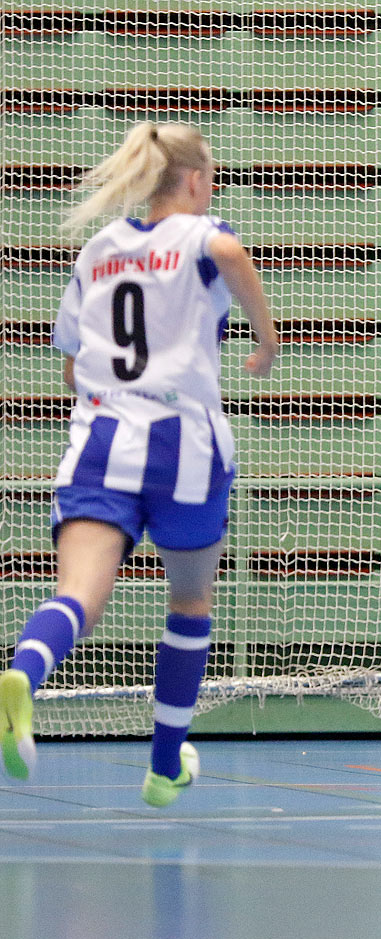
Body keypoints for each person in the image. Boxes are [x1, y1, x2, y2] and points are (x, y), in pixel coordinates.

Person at [0, 122, 278, 806]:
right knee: (188, 600)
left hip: (100, 447)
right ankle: (163, 765)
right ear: (192, 180)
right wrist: (267, 337)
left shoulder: (99, 248)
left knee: (78, 599)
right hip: (185, 448)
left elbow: (71, 369)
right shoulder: (202, 233)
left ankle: (23, 677)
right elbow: (229, 250)